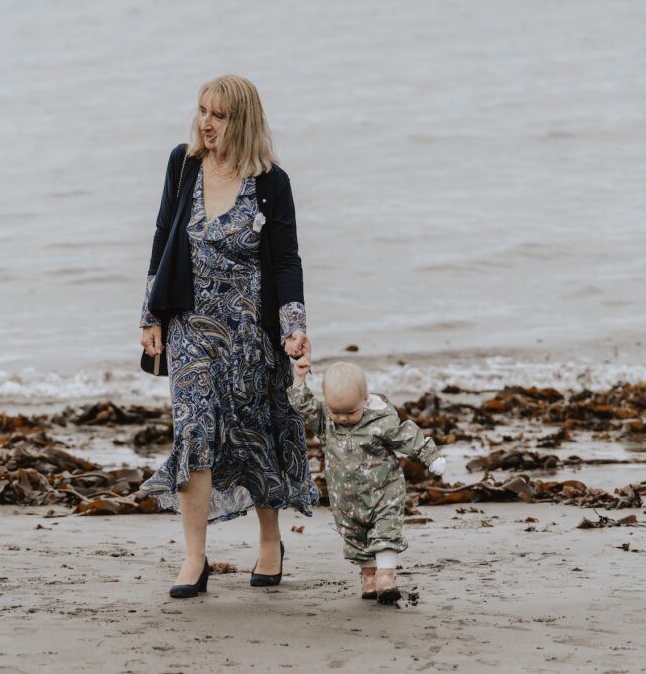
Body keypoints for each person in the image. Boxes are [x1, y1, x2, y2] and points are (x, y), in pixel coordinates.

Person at [138, 75, 319, 598]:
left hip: (252, 335)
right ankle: (195, 557)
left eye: (218, 114)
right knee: (193, 433)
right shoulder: (183, 164)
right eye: (201, 111)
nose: (206, 123)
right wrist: (149, 315)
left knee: (257, 434)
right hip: (190, 327)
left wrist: (294, 327)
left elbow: (286, 260)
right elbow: (161, 239)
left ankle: (270, 540)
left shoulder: (271, 181)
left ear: (243, 121)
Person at [287, 359, 446, 604]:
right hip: (346, 498)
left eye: (350, 412)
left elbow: (407, 437)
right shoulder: (326, 423)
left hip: (384, 492)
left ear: (365, 399)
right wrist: (299, 379)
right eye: (336, 412)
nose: (343, 418)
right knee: (356, 537)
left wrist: (430, 457)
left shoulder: (380, 422)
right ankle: (369, 578)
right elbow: (303, 405)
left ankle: (386, 577)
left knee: (385, 531)